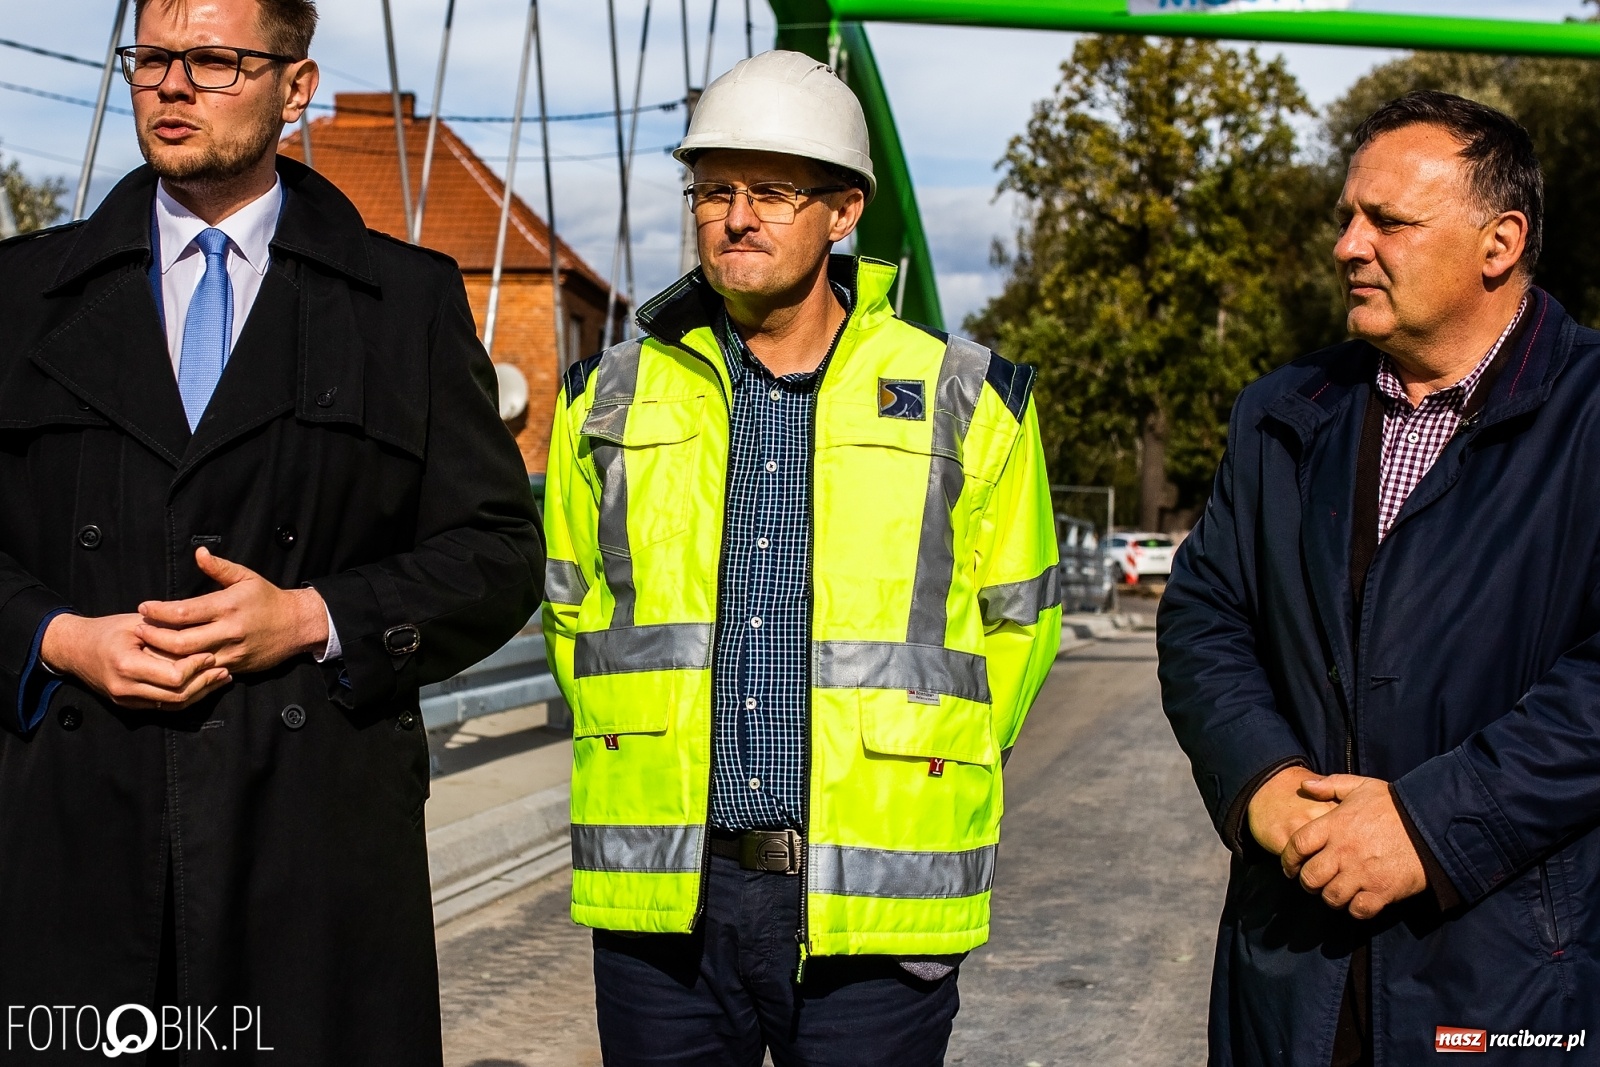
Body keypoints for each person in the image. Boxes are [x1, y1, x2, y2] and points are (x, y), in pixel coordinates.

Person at [0, 0, 543, 1061]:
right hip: (72, 839)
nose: (170, 84)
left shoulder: (404, 303)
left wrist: (311, 614)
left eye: (213, 59)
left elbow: (495, 549)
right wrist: (61, 637)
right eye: (151, 57)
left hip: (310, 846)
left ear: (295, 88)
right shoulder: (19, 297)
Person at [542, 49, 1061, 1067]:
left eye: (773, 191)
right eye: (714, 189)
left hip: (875, 903)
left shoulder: (971, 397)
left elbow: (1019, 621)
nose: (735, 215)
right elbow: (575, 615)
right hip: (665, 900)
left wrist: (918, 766)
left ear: (845, 211)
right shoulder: (598, 398)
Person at [1158, 89, 1600, 1065]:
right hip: (1291, 969)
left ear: (1499, 243)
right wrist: (1261, 778)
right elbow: (1204, 614)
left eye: (1388, 221)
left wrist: (1430, 825)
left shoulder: (1587, 415)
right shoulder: (1282, 411)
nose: (1347, 245)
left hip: (1511, 978)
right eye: (1346, 216)